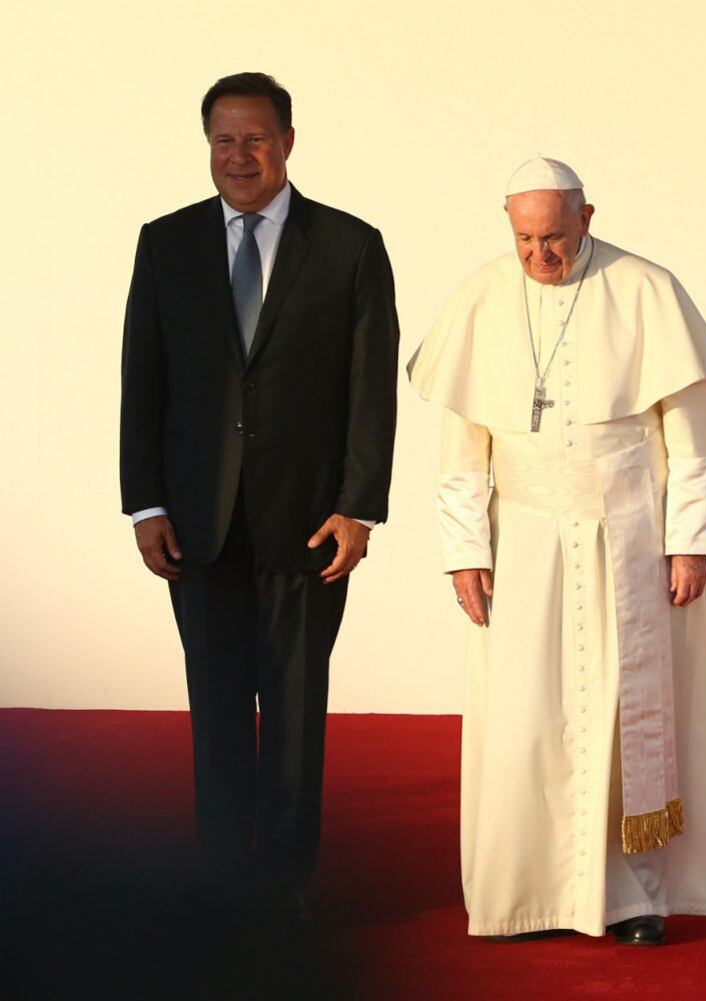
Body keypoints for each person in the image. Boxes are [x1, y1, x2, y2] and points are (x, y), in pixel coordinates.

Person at [408, 156, 706, 945]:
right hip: (521, 540)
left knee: (624, 722)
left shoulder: (646, 289)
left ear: (587, 217)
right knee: (525, 720)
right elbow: (462, 448)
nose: (540, 256)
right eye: (525, 238)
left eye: (554, 236)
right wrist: (464, 550)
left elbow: (694, 440)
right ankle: (528, 894)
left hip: (628, 535)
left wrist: (689, 541)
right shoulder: (482, 296)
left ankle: (634, 898)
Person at [119, 72, 400, 919]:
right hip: (196, 522)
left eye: (255, 137)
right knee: (214, 704)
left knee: (294, 709)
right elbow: (144, 379)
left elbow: (370, 388)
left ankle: (286, 883)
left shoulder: (350, 245)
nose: (238, 156)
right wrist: (145, 503)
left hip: (308, 522)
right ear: (208, 145)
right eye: (223, 140)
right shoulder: (165, 243)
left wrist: (359, 506)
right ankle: (222, 878)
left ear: (287, 140)